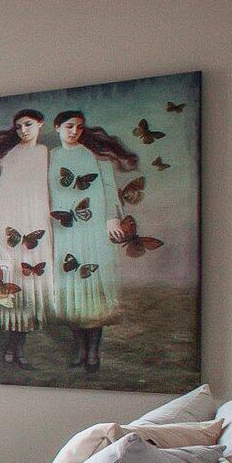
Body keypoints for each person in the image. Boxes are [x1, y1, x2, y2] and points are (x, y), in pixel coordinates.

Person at [47, 109, 139, 370]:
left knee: (93, 287)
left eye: (78, 127)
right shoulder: (50, 157)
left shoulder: (96, 155)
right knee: (71, 286)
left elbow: (109, 188)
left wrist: (111, 218)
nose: (74, 131)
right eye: (69, 126)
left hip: (93, 227)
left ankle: (93, 353)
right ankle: (79, 350)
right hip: (65, 230)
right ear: (57, 127)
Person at [0, 108, 51, 366]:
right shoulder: (3, 156)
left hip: (37, 224)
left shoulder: (45, 153)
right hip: (10, 224)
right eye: (19, 126)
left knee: (30, 282)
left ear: (40, 124)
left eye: (28, 124)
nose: (23, 130)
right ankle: (14, 347)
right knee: (11, 282)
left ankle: (17, 346)